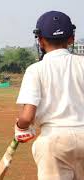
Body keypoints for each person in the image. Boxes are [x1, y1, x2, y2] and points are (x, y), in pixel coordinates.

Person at [14, 11, 84, 179]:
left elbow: (28, 115)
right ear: (71, 38)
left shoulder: (35, 70)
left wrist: (20, 127)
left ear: (40, 40)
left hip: (53, 140)